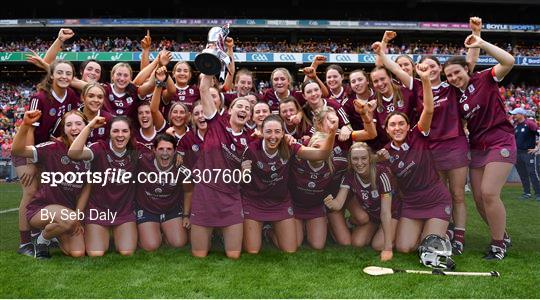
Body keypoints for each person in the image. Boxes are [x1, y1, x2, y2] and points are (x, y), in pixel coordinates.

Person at [443, 33, 516, 260]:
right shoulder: (456, 93)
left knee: (489, 193)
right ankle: (502, 235)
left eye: (457, 72)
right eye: (450, 76)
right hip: (476, 146)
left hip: (500, 140)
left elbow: (509, 61)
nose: (454, 78)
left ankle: (497, 245)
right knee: (478, 199)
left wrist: (481, 42)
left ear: (467, 69)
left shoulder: (485, 78)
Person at [379, 62, 452, 253]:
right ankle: (435, 234)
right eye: (392, 125)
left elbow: (428, 109)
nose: (397, 128)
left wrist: (425, 80)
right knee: (404, 247)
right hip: (412, 203)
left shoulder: (418, 135)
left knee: (430, 248)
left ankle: (442, 233)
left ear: (407, 125)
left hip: (435, 198)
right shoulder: (385, 152)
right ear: (387, 130)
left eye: (401, 124)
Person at [241, 114, 337, 253]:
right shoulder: (251, 149)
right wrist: (244, 172)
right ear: (262, 132)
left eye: (277, 131)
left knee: (290, 250)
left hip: (280, 202)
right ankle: (265, 229)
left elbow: (321, 155)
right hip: (255, 201)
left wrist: (332, 132)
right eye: (268, 131)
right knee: (252, 251)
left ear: (283, 133)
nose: (273, 136)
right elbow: (242, 181)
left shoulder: (289, 145)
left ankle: (269, 231)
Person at [14, 59, 81, 257]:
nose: (64, 77)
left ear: (72, 77)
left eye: (68, 73)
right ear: (51, 75)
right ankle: (25, 243)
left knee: (47, 191)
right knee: (30, 191)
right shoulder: (39, 97)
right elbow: (30, 132)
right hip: (28, 150)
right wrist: (32, 163)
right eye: (59, 72)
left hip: (48, 151)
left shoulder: (71, 95)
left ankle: (41, 235)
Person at [189, 74, 253, 259]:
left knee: (233, 255)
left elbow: (245, 178)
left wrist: (244, 172)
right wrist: (209, 68)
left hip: (230, 197)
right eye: (239, 106)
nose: (243, 110)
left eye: (247, 109)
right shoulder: (216, 123)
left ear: (249, 116)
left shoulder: (251, 139)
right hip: (205, 194)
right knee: (199, 255)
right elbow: (203, 90)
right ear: (230, 110)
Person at [12, 110, 90, 259]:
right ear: (64, 130)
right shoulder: (52, 148)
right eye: (69, 124)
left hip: (68, 214)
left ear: (86, 126)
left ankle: (56, 232)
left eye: (79, 123)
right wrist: (25, 125)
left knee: (77, 253)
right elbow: (17, 150)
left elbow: (86, 189)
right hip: (41, 210)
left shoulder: (89, 153)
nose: (74, 128)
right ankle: (42, 240)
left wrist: (77, 217)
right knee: (69, 219)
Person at [68, 115, 143, 256]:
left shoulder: (136, 149)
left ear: (130, 133)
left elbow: (161, 155)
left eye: (124, 131)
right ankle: (102, 233)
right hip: (99, 210)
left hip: (123, 211)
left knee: (126, 252)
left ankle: (117, 234)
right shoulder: (99, 147)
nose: (120, 135)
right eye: (115, 131)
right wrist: (89, 126)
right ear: (109, 133)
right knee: (96, 253)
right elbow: (73, 154)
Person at [325, 142, 397, 261]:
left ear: (370, 159)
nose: (359, 163)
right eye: (355, 159)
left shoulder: (381, 174)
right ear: (350, 160)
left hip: (391, 214)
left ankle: (396, 233)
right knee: (357, 243)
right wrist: (332, 204)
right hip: (373, 217)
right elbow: (339, 202)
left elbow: (385, 212)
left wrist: (388, 248)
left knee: (378, 245)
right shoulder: (349, 175)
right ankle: (376, 231)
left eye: (363, 158)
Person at [136, 134, 193, 251]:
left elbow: (189, 191)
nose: (165, 153)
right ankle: (144, 233)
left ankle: (163, 233)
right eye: (161, 149)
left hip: (170, 209)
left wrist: (186, 216)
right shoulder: (143, 161)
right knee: (151, 246)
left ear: (175, 151)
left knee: (179, 243)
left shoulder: (181, 169)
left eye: (169, 149)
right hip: (147, 208)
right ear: (154, 150)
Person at [510, 107, 540, 200]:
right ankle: (527, 193)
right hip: (518, 153)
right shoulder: (516, 125)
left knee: (532, 173)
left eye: (515, 114)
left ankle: (538, 193)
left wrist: (537, 148)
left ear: (521, 114)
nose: (513, 116)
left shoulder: (530, 123)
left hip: (528, 152)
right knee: (522, 173)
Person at [176, 101, 206, 170]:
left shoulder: (220, 135)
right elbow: (179, 165)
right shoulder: (187, 138)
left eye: (203, 112)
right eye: (196, 114)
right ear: (192, 118)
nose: (200, 116)